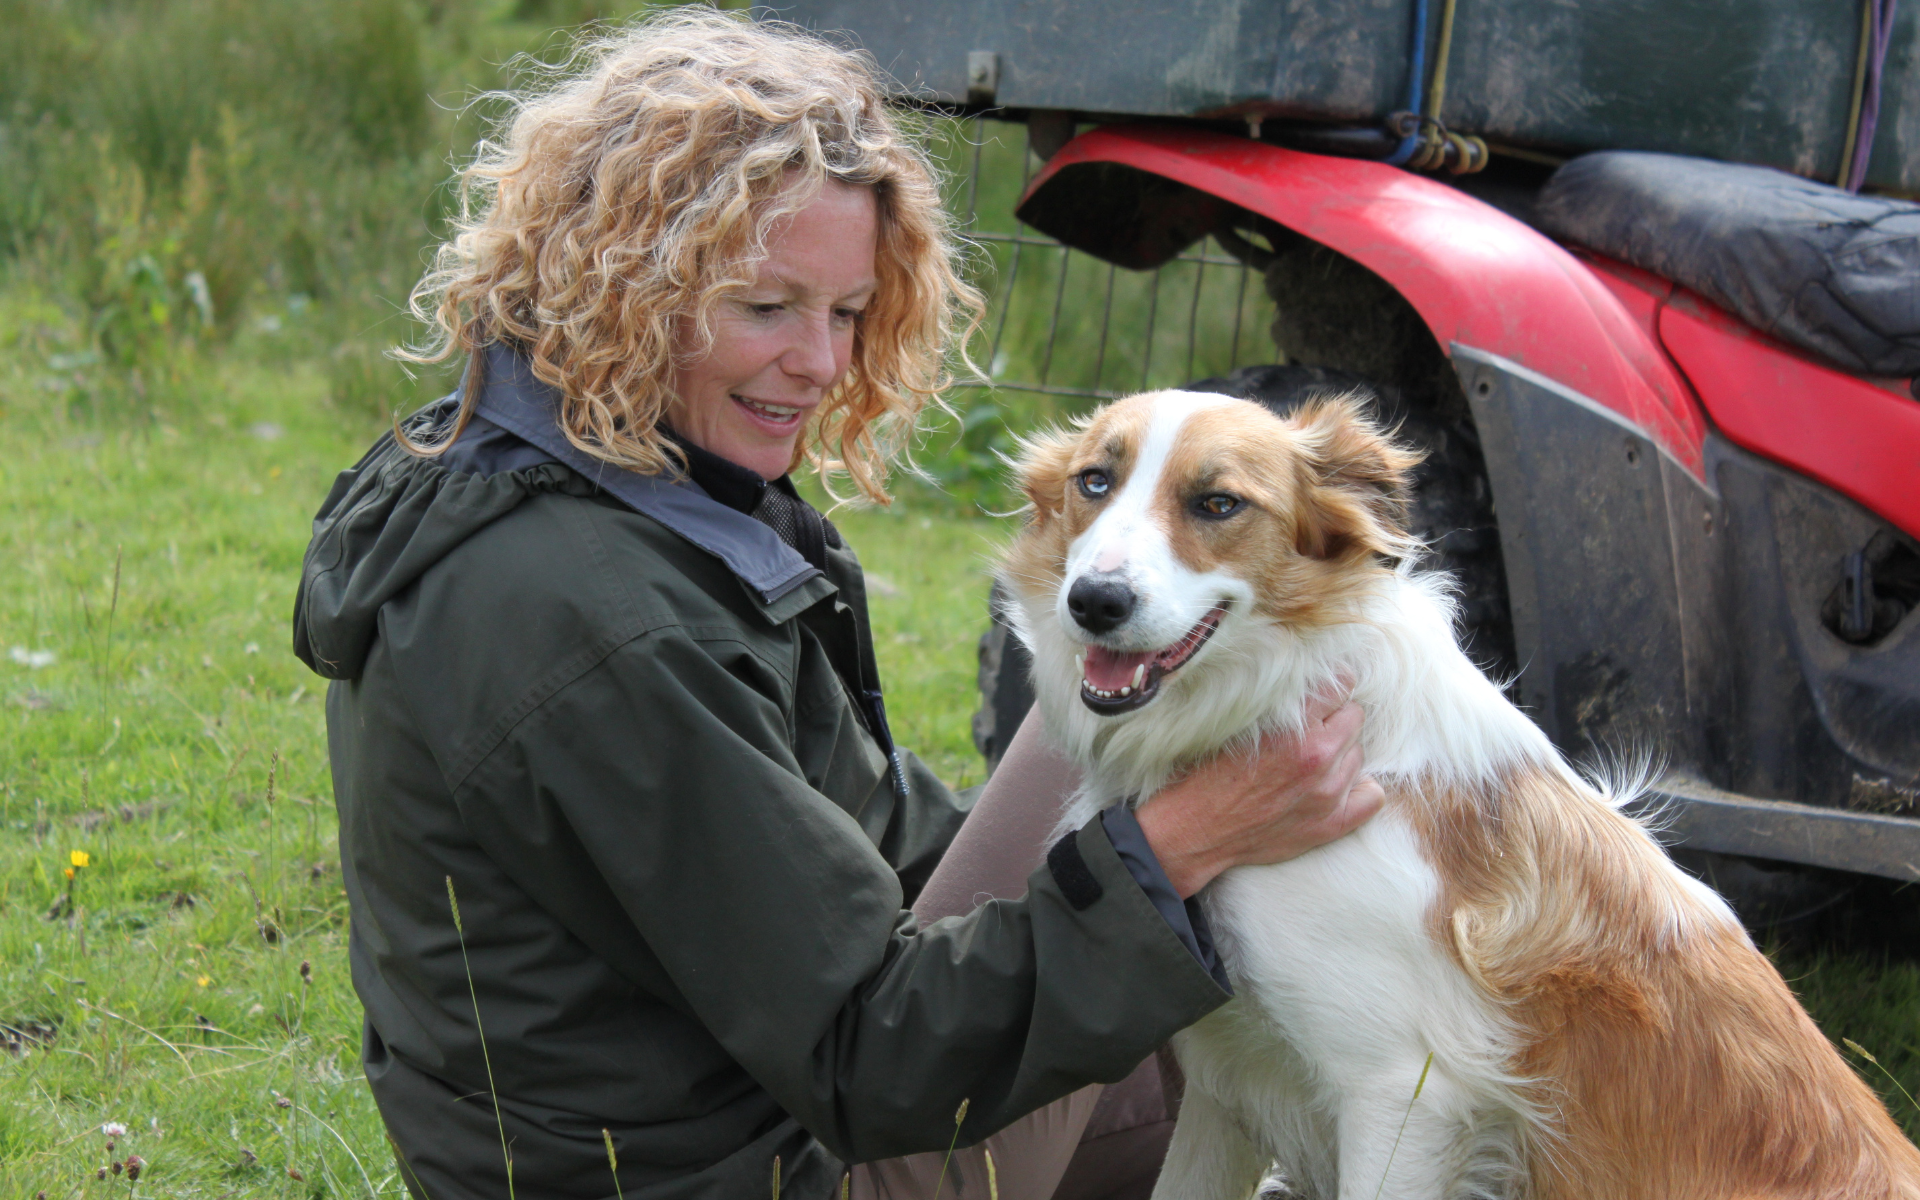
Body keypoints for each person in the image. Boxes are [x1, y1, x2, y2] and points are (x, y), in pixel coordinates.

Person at [292, 11, 1381, 1200]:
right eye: (766, 308)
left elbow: (860, 841)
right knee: (1195, 961)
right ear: (619, 289)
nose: (820, 363)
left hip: (727, 1102)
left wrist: (1147, 856)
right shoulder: (597, 617)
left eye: (848, 310)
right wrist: (1183, 843)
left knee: (1119, 729)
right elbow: (876, 1058)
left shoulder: (596, 481)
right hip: (744, 1172)